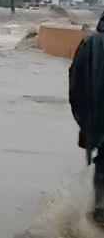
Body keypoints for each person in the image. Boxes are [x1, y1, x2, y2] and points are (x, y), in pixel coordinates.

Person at [69, 13, 104, 224]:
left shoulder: (89, 45)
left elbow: (75, 86)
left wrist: (84, 123)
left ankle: (100, 207)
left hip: (97, 118)